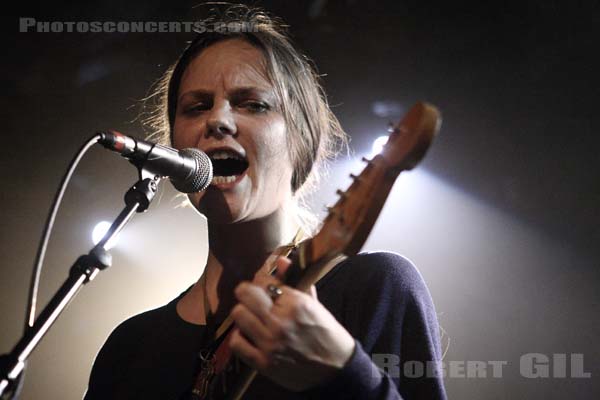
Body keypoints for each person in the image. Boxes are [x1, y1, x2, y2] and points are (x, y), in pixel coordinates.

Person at [84, 5, 446, 399]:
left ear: (300, 141)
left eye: (252, 104)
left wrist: (344, 373)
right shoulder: (128, 349)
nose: (217, 120)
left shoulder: (371, 289)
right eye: (197, 106)